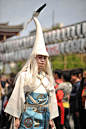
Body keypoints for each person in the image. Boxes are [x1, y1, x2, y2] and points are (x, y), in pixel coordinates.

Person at [4, 4, 59, 129]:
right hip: (28, 116)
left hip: (44, 116)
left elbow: (52, 100)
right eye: (40, 57)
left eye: (45, 58)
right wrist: (16, 118)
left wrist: (51, 119)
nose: (42, 60)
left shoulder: (48, 78)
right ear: (34, 59)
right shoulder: (24, 76)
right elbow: (18, 96)